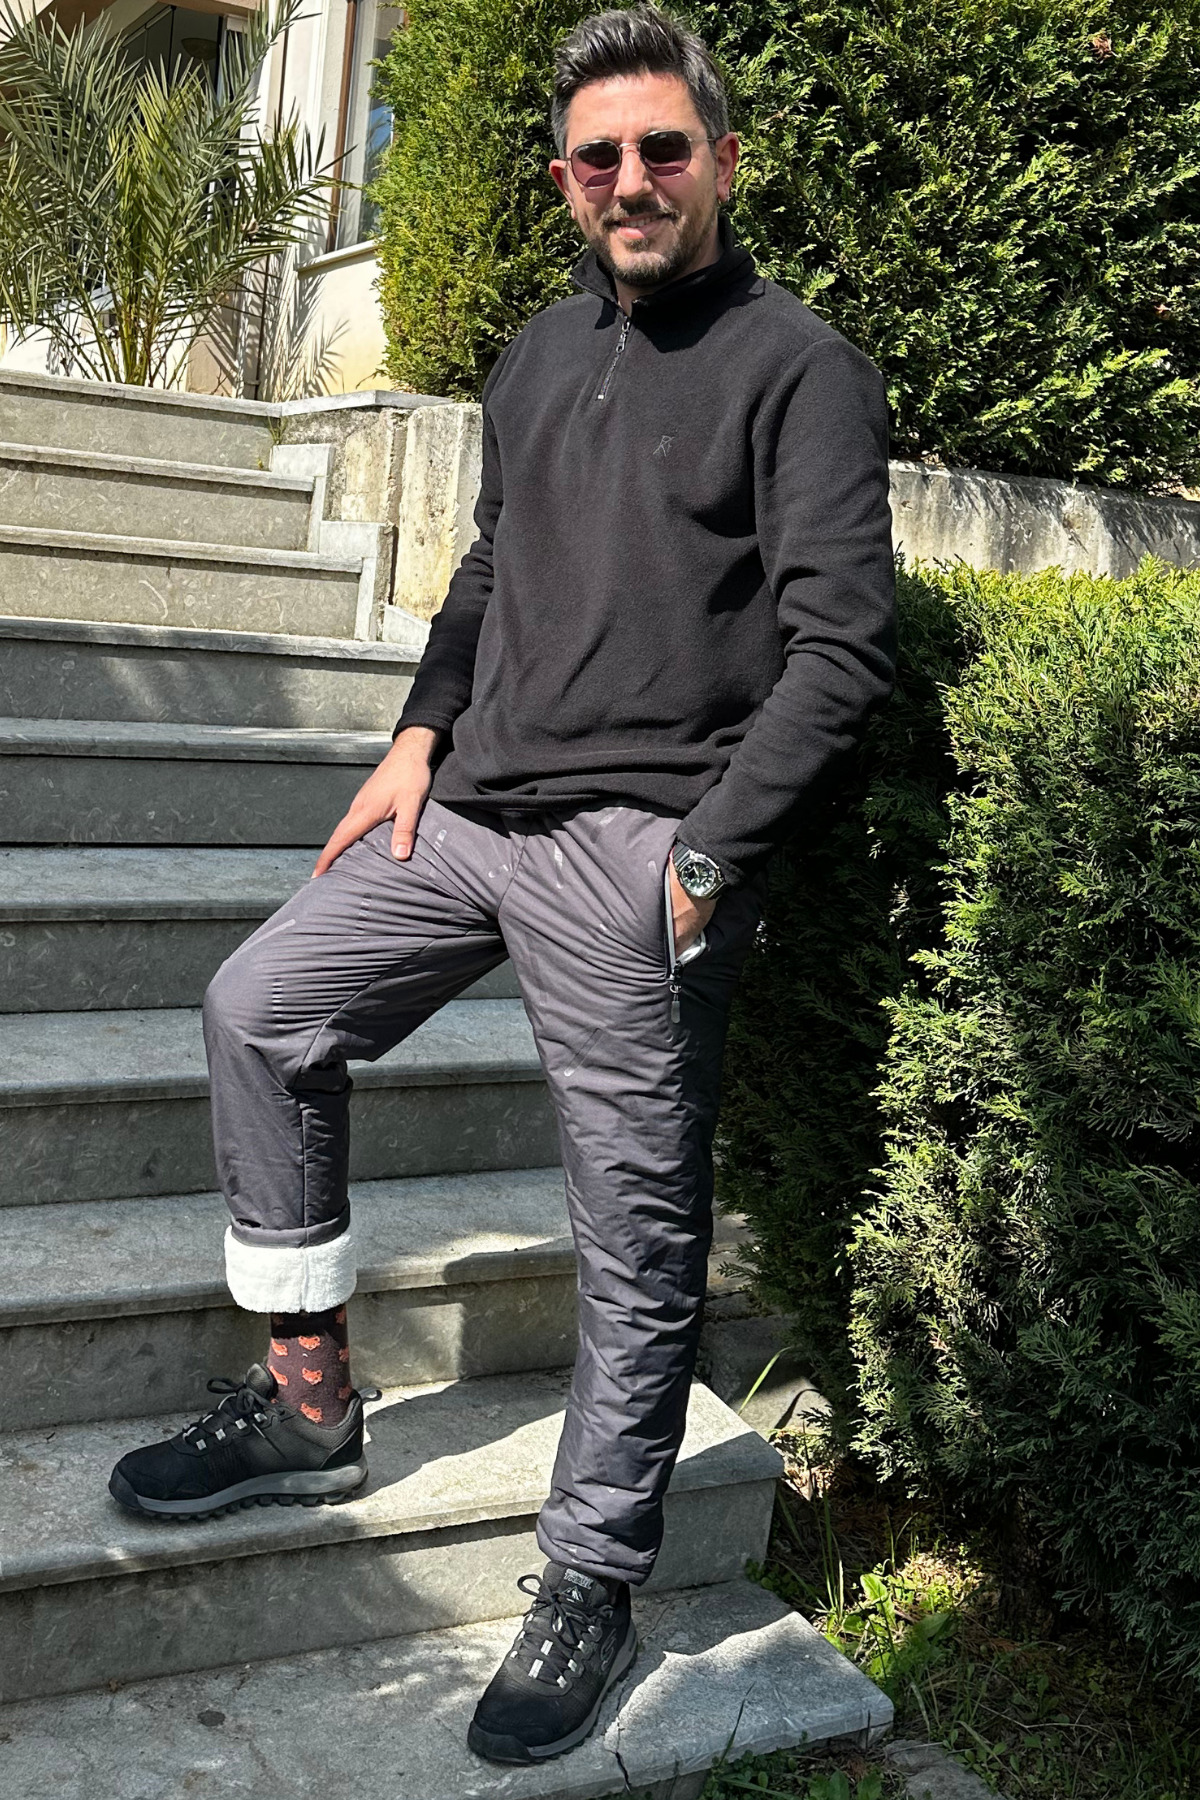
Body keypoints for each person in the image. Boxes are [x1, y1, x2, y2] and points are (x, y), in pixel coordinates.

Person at [107, 1, 896, 1765]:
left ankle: (592, 1573)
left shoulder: (800, 366)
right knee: (261, 1007)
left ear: (723, 161)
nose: (633, 179)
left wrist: (705, 853)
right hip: (471, 809)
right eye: (600, 157)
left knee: (633, 1231)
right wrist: (417, 733)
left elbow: (845, 649)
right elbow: (486, 570)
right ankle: (310, 1405)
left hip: (640, 846)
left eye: (664, 149)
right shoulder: (537, 356)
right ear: (564, 182)